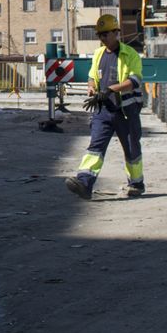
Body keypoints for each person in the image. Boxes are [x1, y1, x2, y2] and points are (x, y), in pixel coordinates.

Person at [66, 15, 145, 199]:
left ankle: (136, 183)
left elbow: (134, 80)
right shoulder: (99, 54)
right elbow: (92, 76)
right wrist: (92, 88)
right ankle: (84, 183)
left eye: (105, 34)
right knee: (95, 146)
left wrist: (110, 89)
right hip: (103, 111)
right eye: (100, 35)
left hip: (125, 111)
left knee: (131, 149)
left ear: (116, 33)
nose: (102, 38)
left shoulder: (130, 54)